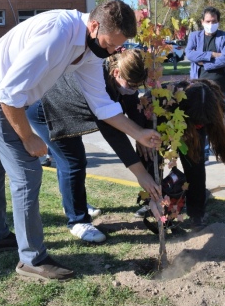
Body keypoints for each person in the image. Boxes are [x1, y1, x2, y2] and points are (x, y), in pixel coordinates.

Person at [0, 0, 162, 282]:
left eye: (116, 47)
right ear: (94, 26)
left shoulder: (91, 48)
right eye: (109, 45)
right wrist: (28, 137)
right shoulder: (57, 35)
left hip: (3, 92)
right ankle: (32, 259)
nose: (111, 53)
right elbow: (8, 95)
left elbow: (101, 105)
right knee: (27, 171)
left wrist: (138, 133)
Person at [26, 48, 158, 244]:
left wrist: (141, 134)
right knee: (73, 162)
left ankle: (72, 202)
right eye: (131, 85)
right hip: (47, 111)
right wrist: (141, 174)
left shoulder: (123, 76)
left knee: (70, 161)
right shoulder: (98, 83)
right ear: (116, 73)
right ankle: (77, 220)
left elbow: (129, 104)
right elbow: (114, 133)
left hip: (67, 110)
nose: (133, 89)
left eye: (137, 86)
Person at [135, 79, 225, 228]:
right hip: (159, 125)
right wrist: (140, 136)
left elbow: (216, 130)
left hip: (191, 128)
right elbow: (140, 115)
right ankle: (154, 202)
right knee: (151, 160)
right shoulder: (162, 95)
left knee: (195, 165)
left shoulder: (213, 102)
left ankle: (197, 212)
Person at [185, 6, 225, 163]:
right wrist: (211, 54)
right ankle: (203, 153)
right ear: (202, 21)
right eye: (208, 21)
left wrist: (204, 63)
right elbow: (189, 54)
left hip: (222, 87)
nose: (211, 24)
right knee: (200, 121)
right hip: (200, 88)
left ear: (218, 21)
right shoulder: (194, 36)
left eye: (214, 21)